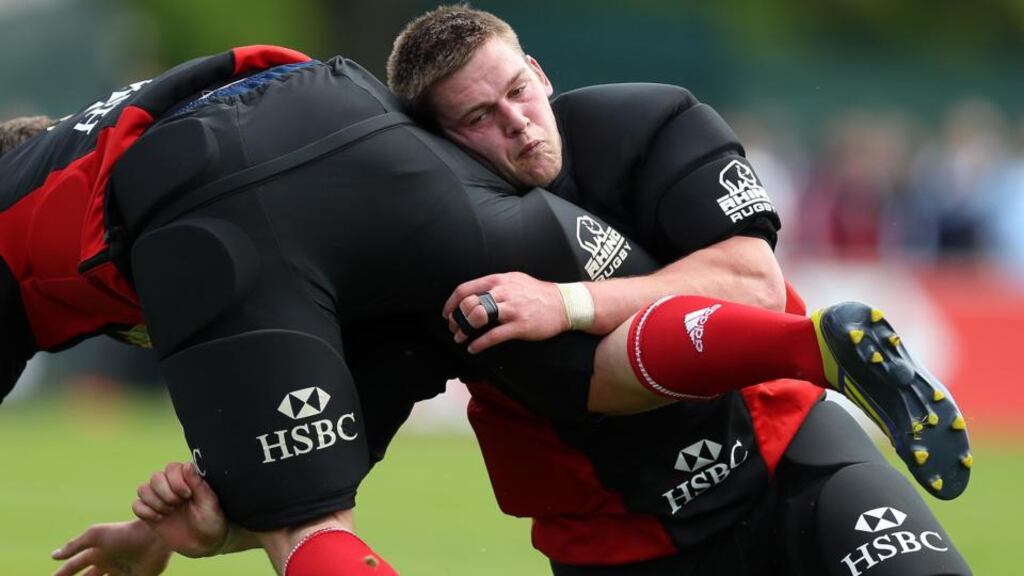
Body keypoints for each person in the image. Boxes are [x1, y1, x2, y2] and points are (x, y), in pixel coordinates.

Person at [42, 9, 970, 576]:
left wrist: (563, 303)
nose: (522, 126)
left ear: (542, 71)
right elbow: (322, 464)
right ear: (436, 149)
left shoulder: (653, 122)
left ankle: (829, 355)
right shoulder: (422, 252)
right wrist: (182, 531)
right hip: (616, 549)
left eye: (521, 90)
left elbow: (752, 282)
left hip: (786, 456)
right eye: (482, 120)